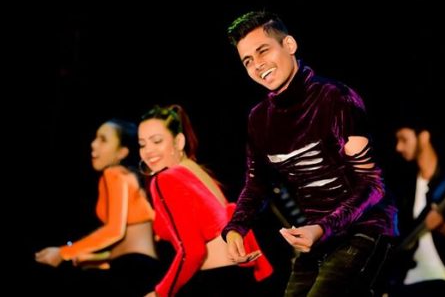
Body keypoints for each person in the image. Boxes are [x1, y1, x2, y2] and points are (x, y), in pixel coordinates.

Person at [222, 10, 397, 297]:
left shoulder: (335, 98)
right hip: (318, 236)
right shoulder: (259, 119)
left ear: (289, 45)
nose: (257, 64)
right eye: (248, 60)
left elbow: (373, 184)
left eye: (263, 51)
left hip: (366, 229)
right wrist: (235, 230)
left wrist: (322, 228)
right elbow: (257, 184)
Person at [138, 104, 273, 297]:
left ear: (179, 141)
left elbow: (192, 251)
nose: (148, 151)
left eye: (157, 141)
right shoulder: (195, 170)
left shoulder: (164, 179)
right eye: (142, 144)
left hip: (214, 282)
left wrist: (161, 293)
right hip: (237, 276)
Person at [35, 119, 162, 297]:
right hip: (142, 269)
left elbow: (114, 231)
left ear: (122, 152)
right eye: (95, 138)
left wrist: (63, 253)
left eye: (103, 140)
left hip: (132, 269)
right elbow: (147, 234)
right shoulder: (131, 179)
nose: (93, 144)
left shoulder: (113, 174)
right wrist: (95, 258)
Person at [388, 119, 445, 297]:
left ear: (423, 137)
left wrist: (442, 227)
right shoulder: (404, 187)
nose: (398, 147)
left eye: (404, 139)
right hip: (408, 281)